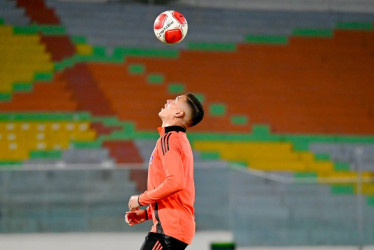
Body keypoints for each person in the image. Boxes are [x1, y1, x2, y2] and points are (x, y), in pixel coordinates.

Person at [126, 93, 204, 250]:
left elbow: (175, 182)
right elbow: (177, 193)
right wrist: (149, 213)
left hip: (169, 230)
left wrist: (141, 200)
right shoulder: (178, 140)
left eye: (175, 101)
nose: (168, 100)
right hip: (174, 227)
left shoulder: (169, 139)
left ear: (178, 113)